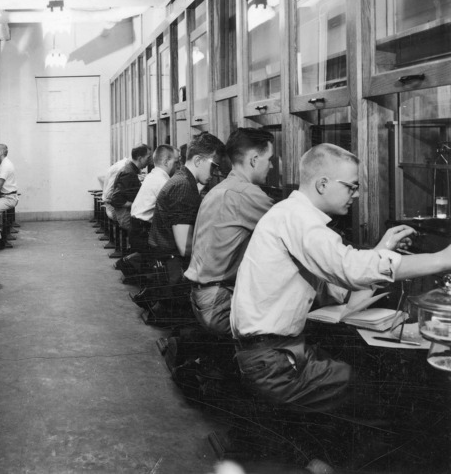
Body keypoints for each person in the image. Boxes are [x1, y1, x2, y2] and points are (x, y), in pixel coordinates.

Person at [230, 143, 451, 412]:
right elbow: (349, 270)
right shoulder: (299, 219)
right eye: (351, 186)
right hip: (273, 362)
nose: (355, 195)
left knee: (359, 376)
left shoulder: (289, 213)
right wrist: (442, 259)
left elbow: (338, 276)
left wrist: (380, 253)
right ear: (323, 184)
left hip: (270, 353)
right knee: (376, 395)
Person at [185, 128, 275, 338]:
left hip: (202, 297)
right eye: (269, 159)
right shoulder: (245, 194)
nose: (271, 166)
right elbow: (294, 232)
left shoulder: (220, 188)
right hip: (219, 303)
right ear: (254, 159)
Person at [138, 133, 225, 318]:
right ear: (199, 160)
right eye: (214, 165)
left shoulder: (182, 179)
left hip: (166, 258)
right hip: (173, 265)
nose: (216, 172)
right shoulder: (184, 185)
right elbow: (185, 246)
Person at [129, 144, 179, 254]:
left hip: (137, 227)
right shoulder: (163, 182)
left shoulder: (153, 175)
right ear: (166, 162)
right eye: (176, 162)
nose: (178, 166)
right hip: (143, 230)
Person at [107, 144, 153, 233]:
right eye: (148, 158)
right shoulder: (128, 173)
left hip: (126, 214)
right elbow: (116, 199)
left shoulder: (129, 169)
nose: (149, 162)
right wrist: (135, 204)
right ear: (140, 158)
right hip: (126, 217)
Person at [101, 154, 131, 221]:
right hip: (112, 208)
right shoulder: (122, 168)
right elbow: (109, 194)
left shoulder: (122, 164)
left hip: (109, 203)